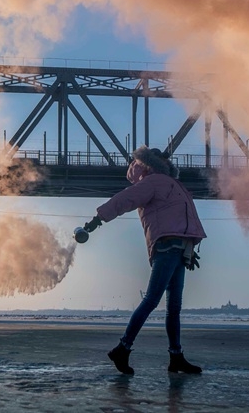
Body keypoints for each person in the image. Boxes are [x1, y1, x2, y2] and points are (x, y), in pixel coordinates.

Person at [82, 146, 207, 375]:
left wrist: (191, 247)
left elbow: (182, 218)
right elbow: (124, 199)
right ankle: (123, 348)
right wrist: (97, 220)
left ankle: (176, 357)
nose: (166, 158)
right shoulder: (154, 181)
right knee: (151, 300)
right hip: (167, 247)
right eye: (160, 156)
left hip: (179, 249)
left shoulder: (170, 183)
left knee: (174, 308)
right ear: (151, 162)